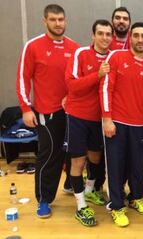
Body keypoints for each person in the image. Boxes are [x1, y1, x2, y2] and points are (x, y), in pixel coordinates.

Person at [16, 4, 79, 218]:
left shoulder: (74, 47)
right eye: (53, 20)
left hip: (73, 112)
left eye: (61, 19)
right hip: (48, 112)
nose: (58, 23)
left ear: (66, 20)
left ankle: (71, 185)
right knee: (50, 155)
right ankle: (44, 199)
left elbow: (79, 81)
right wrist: (26, 109)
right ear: (45, 21)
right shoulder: (33, 46)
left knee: (75, 152)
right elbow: (23, 80)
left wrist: (70, 97)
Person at [100, 22, 143, 227]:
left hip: (138, 126)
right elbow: (106, 88)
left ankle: (136, 198)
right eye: (136, 35)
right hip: (115, 123)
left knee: (137, 165)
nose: (140, 39)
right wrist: (107, 118)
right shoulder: (116, 57)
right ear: (130, 38)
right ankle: (117, 207)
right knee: (116, 168)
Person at [64, 19, 113, 226]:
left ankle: (91, 189)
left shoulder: (113, 57)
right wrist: (97, 75)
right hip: (77, 116)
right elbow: (72, 85)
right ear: (93, 35)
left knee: (96, 158)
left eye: (108, 34)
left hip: (99, 119)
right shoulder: (81, 54)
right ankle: (81, 206)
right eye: (100, 33)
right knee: (78, 162)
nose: (104, 37)